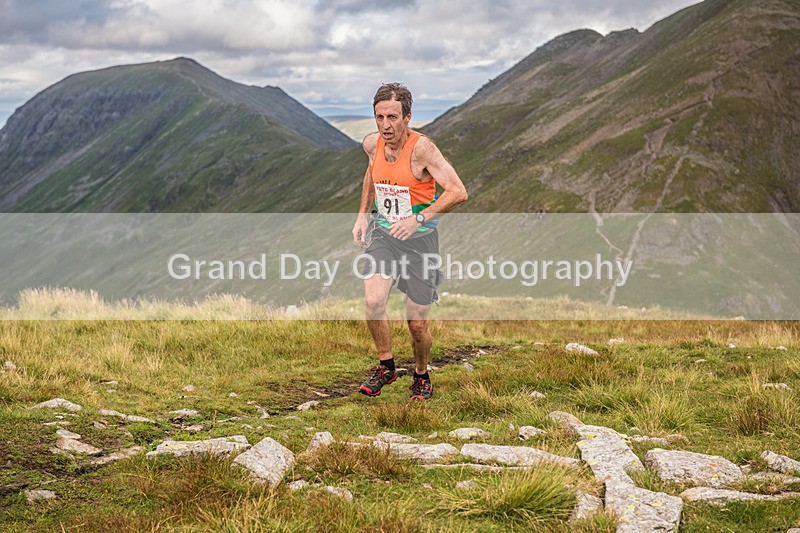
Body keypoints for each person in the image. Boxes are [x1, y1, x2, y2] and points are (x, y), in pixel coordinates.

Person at [352, 83, 468, 400]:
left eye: (392, 117)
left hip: (420, 242)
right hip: (386, 236)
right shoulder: (372, 145)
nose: (386, 125)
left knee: (416, 324)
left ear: (407, 117)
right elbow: (372, 174)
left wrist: (418, 218)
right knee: (374, 302)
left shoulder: (422, 150)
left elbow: (458, 192)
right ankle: (386, 367)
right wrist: (363, 215)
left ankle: (420, 374)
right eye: (379, 117)